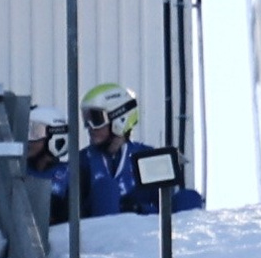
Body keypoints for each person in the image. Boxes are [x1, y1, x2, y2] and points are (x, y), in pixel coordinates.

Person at [77, 81, 204, 218]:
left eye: (96, 119)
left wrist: (137, 209)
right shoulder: (82, 161)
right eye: (86, 120)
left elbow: (163, 203)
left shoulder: (148, 157)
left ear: (120, 118)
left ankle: (182, 239)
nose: (89, 127)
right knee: (106, 189)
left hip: (144, 234)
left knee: (189, 197)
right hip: (103, 235)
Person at [25, 104, 71, 225]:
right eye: (28, 132)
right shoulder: (17, 172)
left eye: (35, 133)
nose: (28, 140)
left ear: (55, 135)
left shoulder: (72, 174)